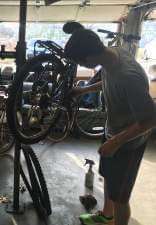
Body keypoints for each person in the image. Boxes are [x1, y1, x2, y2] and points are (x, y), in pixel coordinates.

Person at [64, 29, 156, 225]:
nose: (80, 65)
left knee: (121, 197)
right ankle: (107, 216)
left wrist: (116, 142)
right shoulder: (112, 54)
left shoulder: (129, 76)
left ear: (89, 57)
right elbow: (109, 81)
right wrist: (85, 89)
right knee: (109, 178)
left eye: (80, 62)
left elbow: (150, 120)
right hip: (114, 131)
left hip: (129, 141)